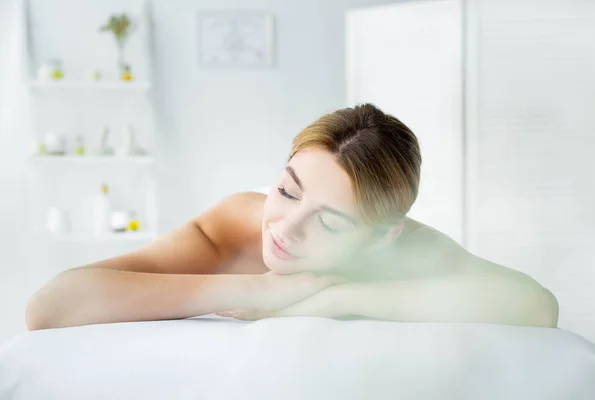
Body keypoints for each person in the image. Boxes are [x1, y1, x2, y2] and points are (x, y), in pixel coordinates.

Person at [25, 104, 559, 330]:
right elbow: (50, 306)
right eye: (286, 190)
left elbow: (538, 306)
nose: (284, 228)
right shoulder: (236, 222)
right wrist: (256, 293)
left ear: (381, 238)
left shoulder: (405, 248)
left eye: (330, 223)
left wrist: (334, 298)